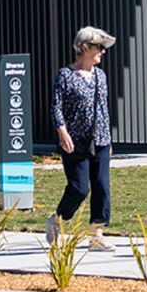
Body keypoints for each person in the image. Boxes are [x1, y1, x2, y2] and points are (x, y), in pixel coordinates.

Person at [45, 26, 117, 252]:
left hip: (100, 139)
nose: (103, 52)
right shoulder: (65, 75)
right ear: (85, 47)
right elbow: (56, 107)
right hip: (74, 141)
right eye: (99, 47)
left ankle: (97, 234)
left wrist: (109, 140)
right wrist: (62, 132)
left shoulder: (101, 76)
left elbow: (103, 109)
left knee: (102, 186)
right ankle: (57, 219)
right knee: (79, 188)